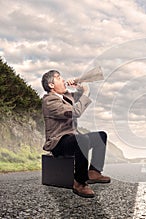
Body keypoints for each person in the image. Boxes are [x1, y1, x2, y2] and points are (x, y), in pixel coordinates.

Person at [41, 70, 110, 198]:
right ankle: (79, 182)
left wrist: (80, 85)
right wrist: (86, 93)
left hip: (72, 138)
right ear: (51, 85)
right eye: (59, 78)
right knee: (81, 139)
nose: (63, 80)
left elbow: (81, 96)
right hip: (58, 142)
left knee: (101, 136)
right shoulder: (49, 101)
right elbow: (75, 111)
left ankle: (94, 172)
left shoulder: (66, 96)